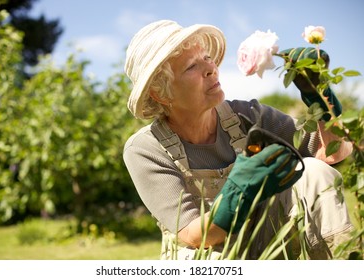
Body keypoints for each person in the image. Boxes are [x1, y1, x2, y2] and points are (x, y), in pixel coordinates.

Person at [123, 20, 353, 260]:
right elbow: (194, 236)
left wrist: (319, 95)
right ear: (161, 91)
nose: (211, 68)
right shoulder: (146, 149)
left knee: (314, 171)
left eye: (207, 57)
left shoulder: (248, 117)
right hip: (207, 258)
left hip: (268, 243)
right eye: (192, 66)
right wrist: (239, 188)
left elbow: (334, 153)